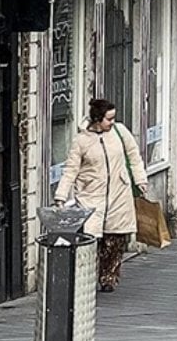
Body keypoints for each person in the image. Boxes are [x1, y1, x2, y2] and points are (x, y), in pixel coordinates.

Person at [54, 99, 149, 293]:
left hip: (118, 192)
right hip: (91, 194)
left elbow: (133, 155)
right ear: (97, 119)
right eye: (109, 119)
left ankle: (109, 277)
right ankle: (88, 276)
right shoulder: (81, 140)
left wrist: (140, 179)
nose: (112, 122)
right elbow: (71, 169)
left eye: (113, 118)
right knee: (92, 239)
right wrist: (61, 195)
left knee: (115, 239)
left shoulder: (120, 132)